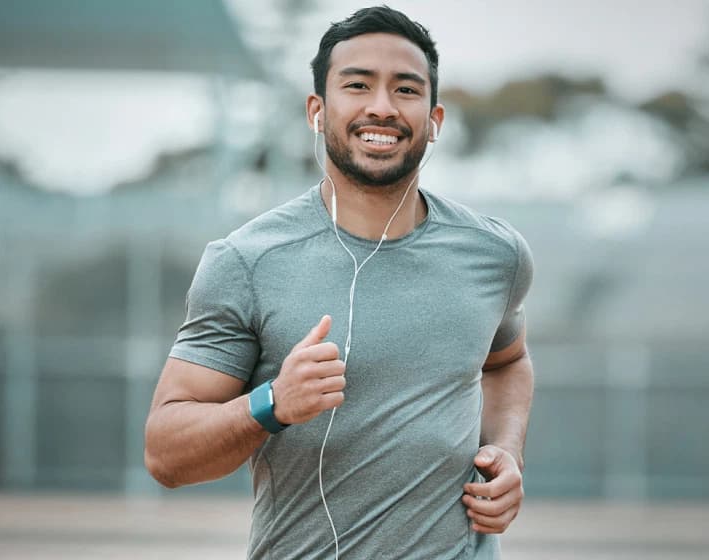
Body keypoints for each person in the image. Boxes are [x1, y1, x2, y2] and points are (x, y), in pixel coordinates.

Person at [143, 6, 534, 559]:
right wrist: (273, 402)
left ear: (435, 118)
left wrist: (506, 452)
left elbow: (507, 362)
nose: (382, 106)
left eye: (405, 89)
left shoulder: (496, 254)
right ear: (317, 112)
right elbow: (166, 455)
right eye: (357, 85)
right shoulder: (246, 261)